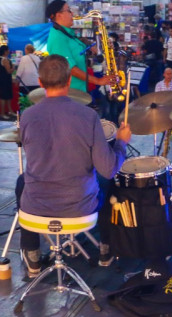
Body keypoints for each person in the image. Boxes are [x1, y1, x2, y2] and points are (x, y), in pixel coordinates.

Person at [17, 55, 131, 276]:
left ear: (40, 83)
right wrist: (121, 142)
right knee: (108, 182)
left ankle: (32, 255)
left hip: (35, 210)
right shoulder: (88, 116)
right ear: (69, 81)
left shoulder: (28, 116)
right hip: (78, 209)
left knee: (22, 181)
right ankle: (106, 249)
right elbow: (108, 169)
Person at [45, 0, 111, 94]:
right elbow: (69, 68)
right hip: (69, 94)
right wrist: (98, 81)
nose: (72, 13)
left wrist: (95, 49)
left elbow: (78, 49)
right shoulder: (58, 38)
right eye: (68, 10)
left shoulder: (67, 34)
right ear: (58, 15)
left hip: (78, 91)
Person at [0, 45, 14, 119]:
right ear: (5, 51)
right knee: (5, 96)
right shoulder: (5, 60)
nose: (9, 51)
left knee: (6, 95)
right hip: (5, 80)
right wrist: (13, 68)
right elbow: (9, 71)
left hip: (1, 79)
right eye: (8, 50)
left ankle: (9, 111)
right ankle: (3, 113)